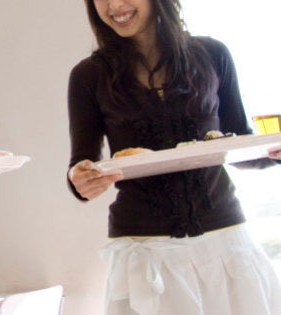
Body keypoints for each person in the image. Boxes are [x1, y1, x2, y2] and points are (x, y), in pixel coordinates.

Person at [67, 0, 281, 314]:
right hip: (145, 251)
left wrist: (273, 153)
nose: (114, 5)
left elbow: (240, 143)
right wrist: (80, 179)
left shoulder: (213, 54)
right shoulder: (88, 75)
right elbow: (80, 164)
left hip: (224, 245)